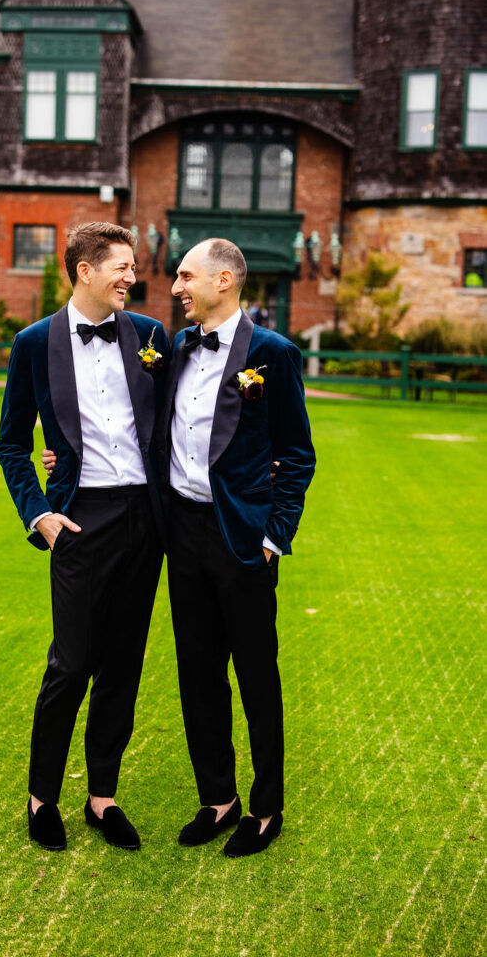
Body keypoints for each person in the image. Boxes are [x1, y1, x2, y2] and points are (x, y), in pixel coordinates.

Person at [0, 222, 170, 852]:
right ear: (84, 271)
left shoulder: (151, 336)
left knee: (122, 665)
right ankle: (43, 798)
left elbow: (184, 419)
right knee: (71, 665)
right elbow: (12, 442)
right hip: (78, 521)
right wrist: (38, 512)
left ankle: (102, 798)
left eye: (131, 267)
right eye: (120, 267)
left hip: (144, 521)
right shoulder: (33, 343)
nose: (131, 276)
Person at [160, 237, 315, 857]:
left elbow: (298, 455)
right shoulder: (173, 348)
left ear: (223, 281)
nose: (177, 287)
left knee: (255, 675)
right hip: (182, 532)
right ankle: (217, 798)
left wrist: (276, 534)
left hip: (244, 540)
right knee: (198, 673)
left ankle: (266, 807)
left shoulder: (274, 355)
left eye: (185, 276)